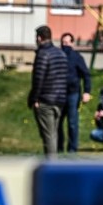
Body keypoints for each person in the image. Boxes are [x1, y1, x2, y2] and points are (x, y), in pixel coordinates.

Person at [27, 25, 68, 157]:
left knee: (48, 136)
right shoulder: (61, 53)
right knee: (54, 133)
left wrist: (34, 99)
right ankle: (54, 161)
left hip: (46, 100)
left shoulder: (43, 54)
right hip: (60, 100)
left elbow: (38, 78)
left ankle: (51, 165)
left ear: (39, 38)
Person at [57, 32, 92, 153]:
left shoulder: (77, 57)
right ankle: (59, 148)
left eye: (67, 42)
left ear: (72, 43)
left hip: (73, 94)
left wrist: (87, 91)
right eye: (63, 43)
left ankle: (72, 149)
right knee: (57, 123)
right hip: (59, 95)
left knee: (72, 123)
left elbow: (86, 75)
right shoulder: (57, 56)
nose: (65, 45)